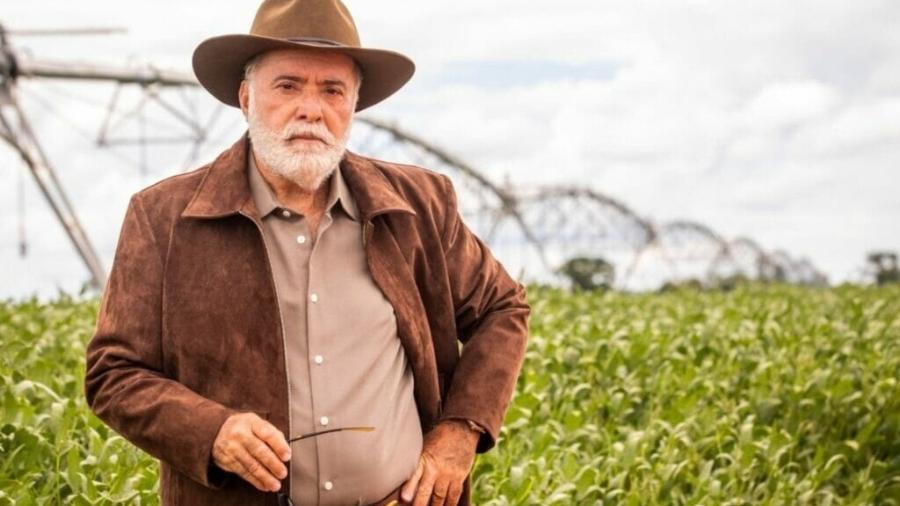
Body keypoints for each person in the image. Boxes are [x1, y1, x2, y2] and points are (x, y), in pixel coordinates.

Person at [84, 1, 530, 505]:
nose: (311, 110)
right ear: (246, 96)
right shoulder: (163, 218)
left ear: (353, 105)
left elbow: (502, 308)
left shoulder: (420, 206)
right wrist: (212, 432)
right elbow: (113, 374)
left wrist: (460, 432)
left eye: (332, 90)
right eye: (288, 86)